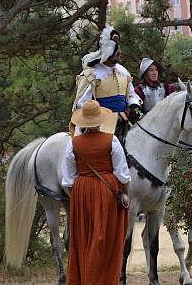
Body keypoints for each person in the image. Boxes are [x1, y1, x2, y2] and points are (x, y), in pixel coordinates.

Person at [62, 100, 131, 285]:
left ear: (83, 123)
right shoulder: (112, 140)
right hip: (107, 191)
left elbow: (68, 179)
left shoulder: (73, 144)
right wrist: (125, 195)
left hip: (81, 191)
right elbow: (123, 175)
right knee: (106, 240)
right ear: (100, 121)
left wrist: (78, 197)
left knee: (84, 239)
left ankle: (85, 278)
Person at [72, 26, 142, 143]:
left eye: (119, 48)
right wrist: (94, 119)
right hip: (99, 125)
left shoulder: (123, 71)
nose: (120, 52)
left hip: (125, 120)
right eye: (116, 49)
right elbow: (81, 104)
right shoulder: (91, 74)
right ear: (107, 51)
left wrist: (134, 106)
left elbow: (131, 94)